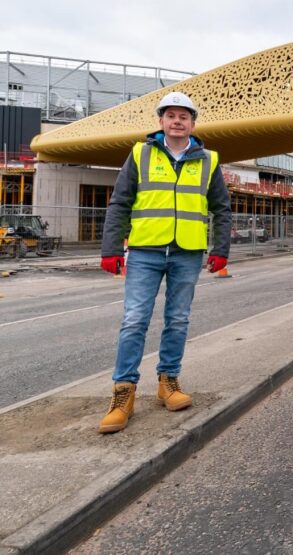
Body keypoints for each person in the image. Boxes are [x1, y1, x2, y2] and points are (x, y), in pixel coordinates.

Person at [98, 91, 232, 434]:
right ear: (161, 121)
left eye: (184, 116)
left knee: (178, 320)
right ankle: (123, 393)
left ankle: (168, 382)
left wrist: (221, 250)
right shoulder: (140, 153)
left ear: (192, 123)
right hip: (146, 250)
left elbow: (221, 209)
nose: (177, 121)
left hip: (187, 252)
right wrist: (111, 248)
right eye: (171, 115)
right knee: (134, 320)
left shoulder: (208, 160)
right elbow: (119, 203)